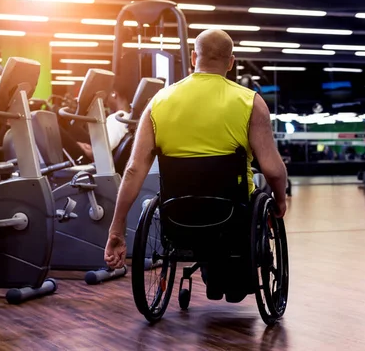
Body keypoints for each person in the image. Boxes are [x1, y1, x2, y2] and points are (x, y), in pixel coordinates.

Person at [104, 29, 288, 270]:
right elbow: (273, 171)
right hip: (232, 216)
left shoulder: (158, 101)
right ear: (231, 62)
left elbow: (133, 170)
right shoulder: (250, 102)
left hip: (177, 214)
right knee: (258, 187)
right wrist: (280, 201)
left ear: (193, 58)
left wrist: (117, 227)